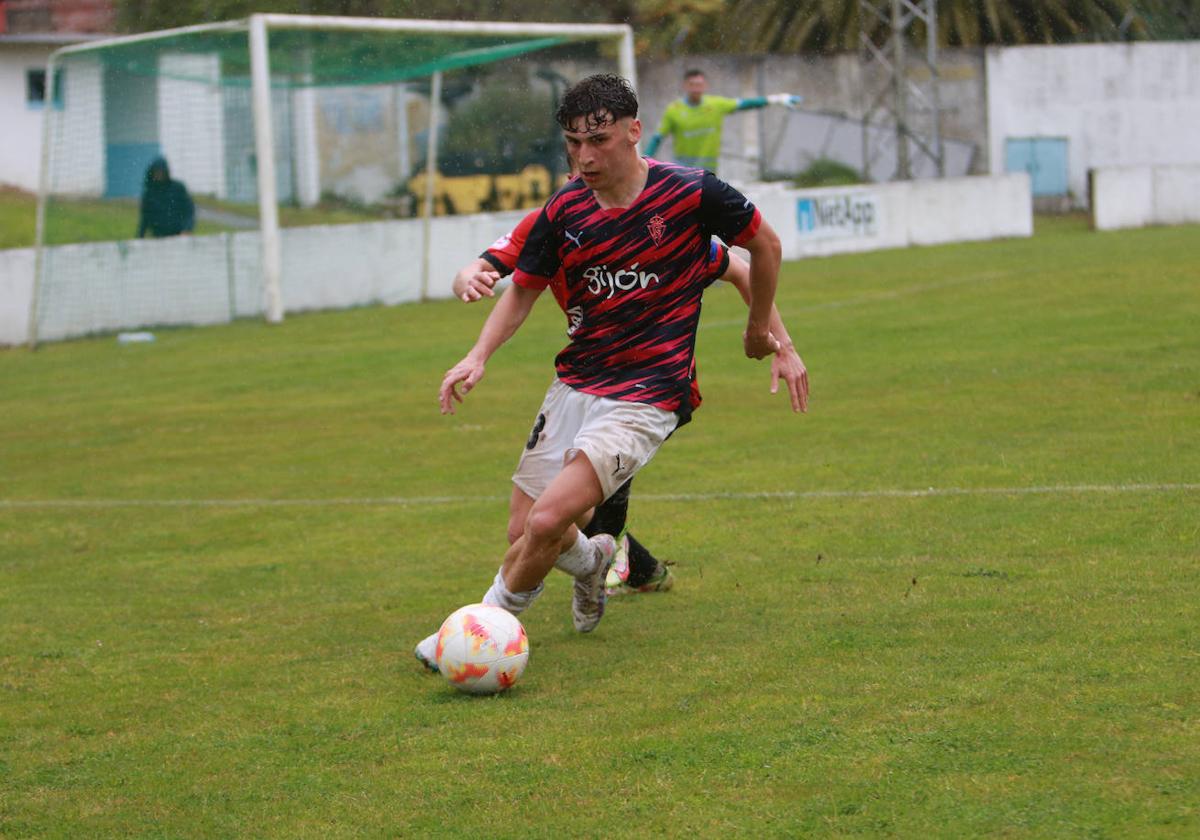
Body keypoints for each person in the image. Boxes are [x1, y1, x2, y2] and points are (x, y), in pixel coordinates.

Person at [415, 73, 808, 671]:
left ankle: (474, 629)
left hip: (650, 392)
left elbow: (756, 256)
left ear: (634, 132)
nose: (584, 156)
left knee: (548, 518)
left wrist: (770, 336)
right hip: (576, 383)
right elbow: (518, 285)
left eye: (597, 140)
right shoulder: (564, 210)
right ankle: (599, 562)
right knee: (525, 531)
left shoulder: (688, 199)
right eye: (573, 142)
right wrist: (477, 356)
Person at [450, 209, 806, 599]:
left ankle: (491, 619)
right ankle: (628, 565)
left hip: (649, 392)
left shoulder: (657, 219)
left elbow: (739, 268)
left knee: (566, 512)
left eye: (599, 147)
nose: (589, 169)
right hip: (584, 382)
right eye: (579, 152)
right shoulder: (551, 219)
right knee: (534, 528)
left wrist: (781, 345)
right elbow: (481, 268)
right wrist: (468, 278)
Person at [645, 69, 802, 172]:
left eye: (699, 84)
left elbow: (746, 104)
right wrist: (645, 161)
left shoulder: (716, 104)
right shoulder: (674, 109)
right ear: (685, 86)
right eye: (692, 84)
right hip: (682, 171)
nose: (696, 88)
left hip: (708, 171)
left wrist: (777, 99)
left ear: (705, 85)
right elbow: (658, 137)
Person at [137, 156, 195, 239]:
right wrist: (140, 236)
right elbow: (145, 218)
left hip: (179, 235)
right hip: (159, 237)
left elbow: (189, 210)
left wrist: (187, 229)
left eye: (161, 172)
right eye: (156, 172)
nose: (159, 175)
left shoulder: (178, 188)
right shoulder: (149, 193)